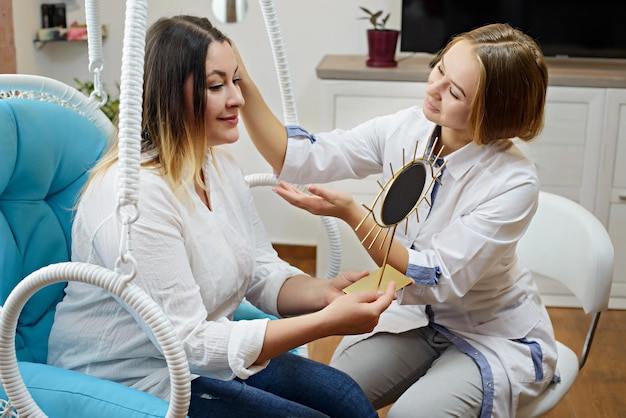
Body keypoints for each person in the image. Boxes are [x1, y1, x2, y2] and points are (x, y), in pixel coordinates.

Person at [47, 15, 397, 418]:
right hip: (141, 379)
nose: (237, 99)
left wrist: (323, 293)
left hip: (204, 365)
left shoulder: (219, 167)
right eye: (217, 86)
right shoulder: (134, 197)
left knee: (345, 397)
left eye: (236, 81)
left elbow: (261, 270)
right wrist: (324, 323)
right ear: (168, 94)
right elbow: (187, 343)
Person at [237, 23, 558, 417]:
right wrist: (242, 82)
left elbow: (437, 277)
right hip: (412, 317)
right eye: (439, 69)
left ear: (493, 112)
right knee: (328, 396)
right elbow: (304, 159)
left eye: (454, 92)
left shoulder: (512, 182)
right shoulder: (408, 128)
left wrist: (352, 215)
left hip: (489, 333)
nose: (433, 89)